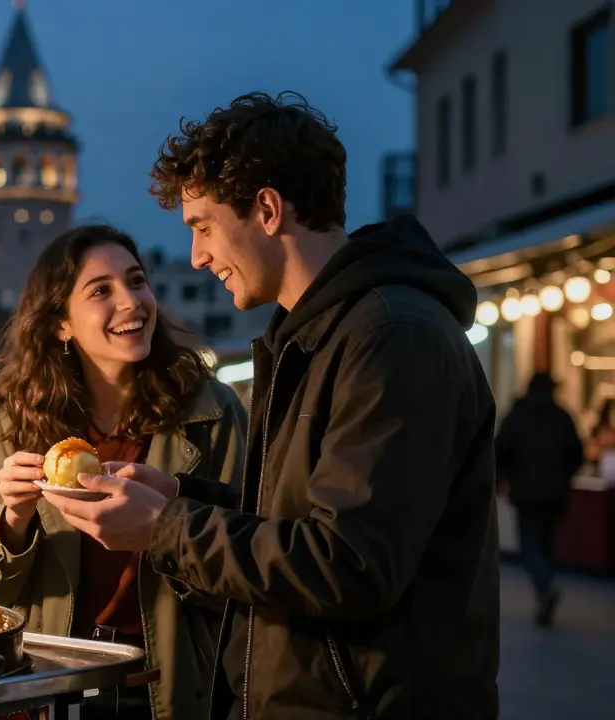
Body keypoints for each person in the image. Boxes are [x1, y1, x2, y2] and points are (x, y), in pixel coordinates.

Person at [41, 92, 500, 719]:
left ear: (266, 208)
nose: (198, 256)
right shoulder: (316, 336)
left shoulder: (393, 335)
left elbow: (350, 563)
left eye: (203, 227)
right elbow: (298, 521)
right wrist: (178, 496)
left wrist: (166, 528)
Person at [0, 224, 246, 720]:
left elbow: (248, 548)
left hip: (170, 683)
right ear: (60, 324)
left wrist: (164, 527)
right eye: (101, 291)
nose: (131, 301)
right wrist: (14, 520)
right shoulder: (17, 423)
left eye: (137, 281)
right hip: (53, 684)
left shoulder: (210, 412)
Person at [495, 372, 583, 627]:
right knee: (548, 543)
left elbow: (500, 450)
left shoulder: (517, 416)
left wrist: (503, 477)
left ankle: (544, 586)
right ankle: (545, 588)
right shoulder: (562, 417)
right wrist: (564, 477)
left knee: (530, 546)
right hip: (555, 493)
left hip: (526, 491)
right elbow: (576, 453)